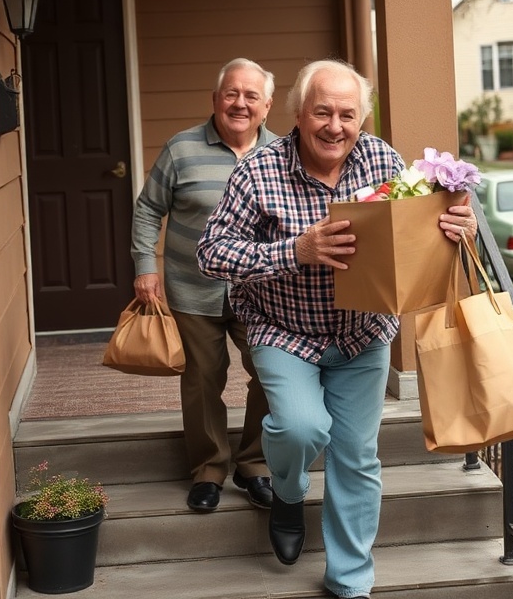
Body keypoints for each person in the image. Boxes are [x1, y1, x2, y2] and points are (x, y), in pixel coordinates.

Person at [195, 60, 478, 599]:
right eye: (321, 112)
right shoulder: (257, 172)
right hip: (283, 330)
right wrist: (296, 250)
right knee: (300, 429)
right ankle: (287, 491)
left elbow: (417, 230)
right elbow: (211, 253)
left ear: (362, 119)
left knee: (356, 456)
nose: (334, 126)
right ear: (298, 114)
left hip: (362, 333)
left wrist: (455, 225)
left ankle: (350, 582)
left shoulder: (382, 160)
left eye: (347, 114)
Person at [130, 58, 277, 513]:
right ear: (215, 99)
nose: (240, 103)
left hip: (262, 293)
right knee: (202, 380)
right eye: (231, 93)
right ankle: (209, 471)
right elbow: (148, 209)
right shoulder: (181, 149)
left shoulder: (282, 154)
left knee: (272, 374)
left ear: (267, 106)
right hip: (193, 288)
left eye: (251, 96)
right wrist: (145, 266)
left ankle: (254, 465)